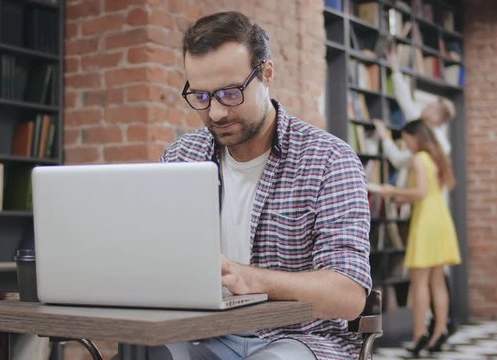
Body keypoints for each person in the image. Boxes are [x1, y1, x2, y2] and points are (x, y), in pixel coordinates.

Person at [157, 11, 371, 360]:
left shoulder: (329, 160)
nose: (215, 113)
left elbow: (347, 295)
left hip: (301, 338)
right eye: (200, 96)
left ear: (267, 73)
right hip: (204, 333)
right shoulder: (183, 155)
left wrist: (251, 280)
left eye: (229, 93)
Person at [374, 120, 461, 357]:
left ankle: (419, 335)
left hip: (426, 222)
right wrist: (405, 198)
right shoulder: (436, 158)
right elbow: (427, 193)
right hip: (440, 218)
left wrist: (391, 191)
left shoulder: (418, 159)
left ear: (416, 137)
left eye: (407, 139)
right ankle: (439, 330)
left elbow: (420, 192)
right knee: (437, 281)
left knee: (419, 281)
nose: (406, 144)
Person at [373, 45, 456, 168]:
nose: (424, 108)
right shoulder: (423, 127)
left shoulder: (433, 143)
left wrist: (385, 137)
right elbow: (406, 101)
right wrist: (396, 70)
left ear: (436, 117)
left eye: (429, 107)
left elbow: (399, 161)